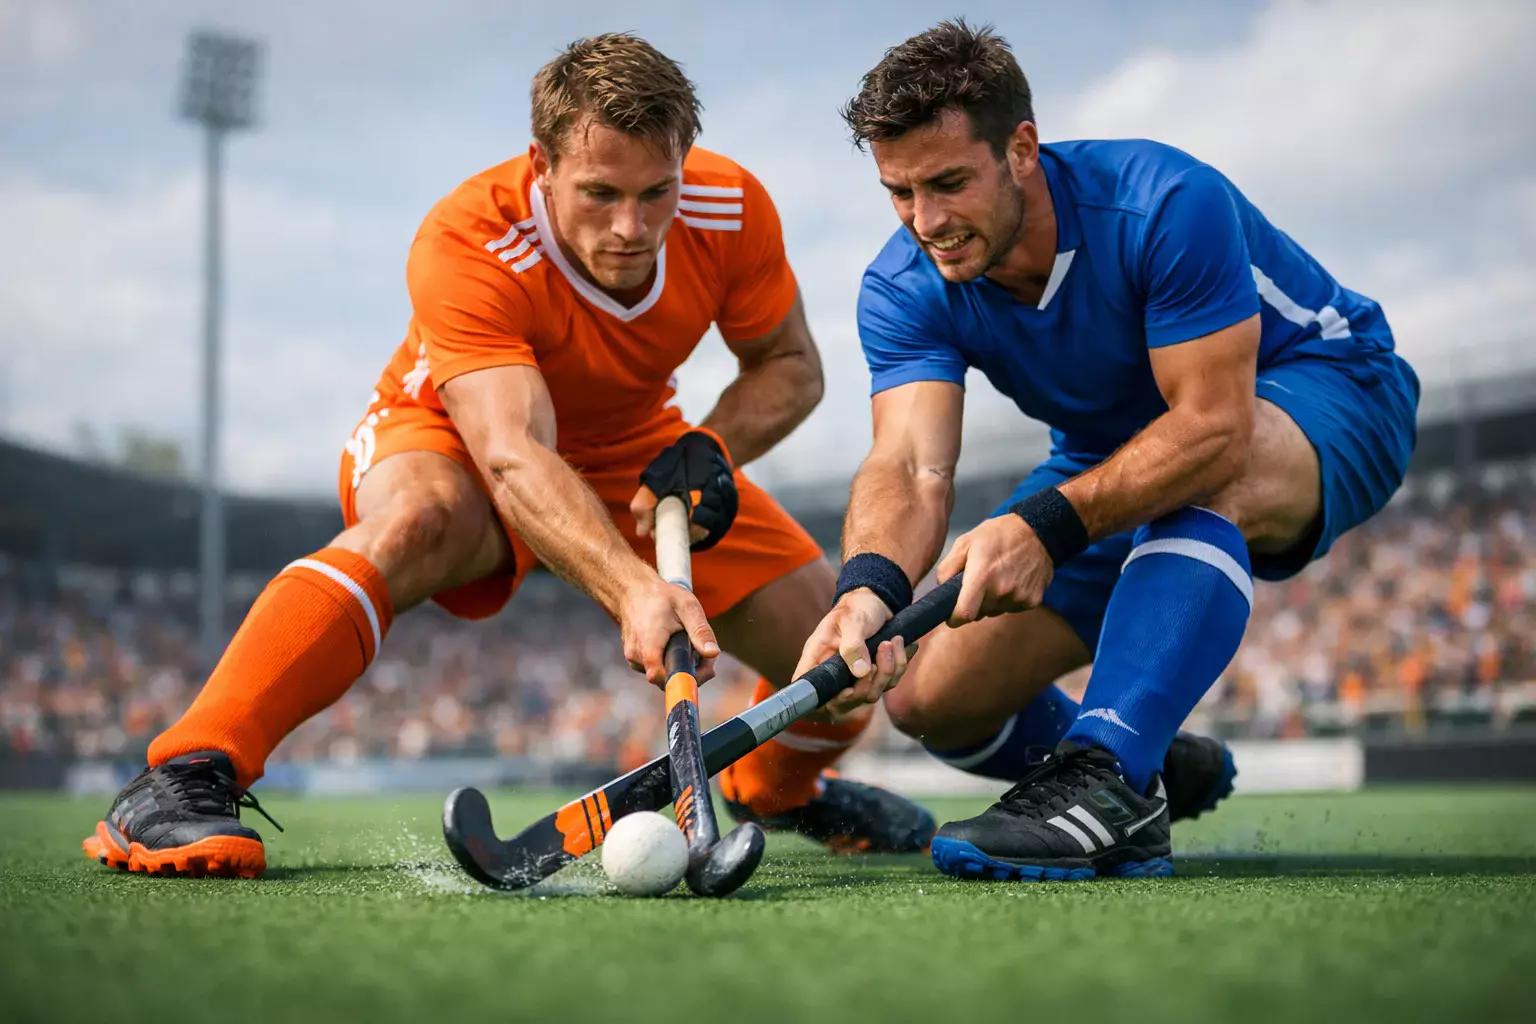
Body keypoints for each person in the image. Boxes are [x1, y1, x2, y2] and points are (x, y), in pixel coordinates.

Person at [82, 33, 930, 879]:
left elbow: (790, 367)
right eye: (600, 193)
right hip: (457, 428)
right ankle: (187, 770)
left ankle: (770, 788)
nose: (632, 228)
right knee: (422, 519)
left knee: (846, 651)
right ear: (542, 165)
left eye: (656, 192)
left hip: (637, 442)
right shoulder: (471, 238)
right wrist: (634, 589)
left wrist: (708, 445)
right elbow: (514, 454)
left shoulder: (730, 208)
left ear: (685, 160)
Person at [796, 20, 1419, 882]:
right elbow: (909, 464)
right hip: (1116, 453)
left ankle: (1109, 777)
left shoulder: (1163, 201)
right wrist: (867, 588)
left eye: (947, 183)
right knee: (930, 699)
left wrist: (1047, 527)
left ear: (1021, 149)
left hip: (1328, 389)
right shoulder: (904, 283)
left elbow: (1210, 428)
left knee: (1206, 479)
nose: (926, 222)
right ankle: (1142, 758)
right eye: (899, 192)